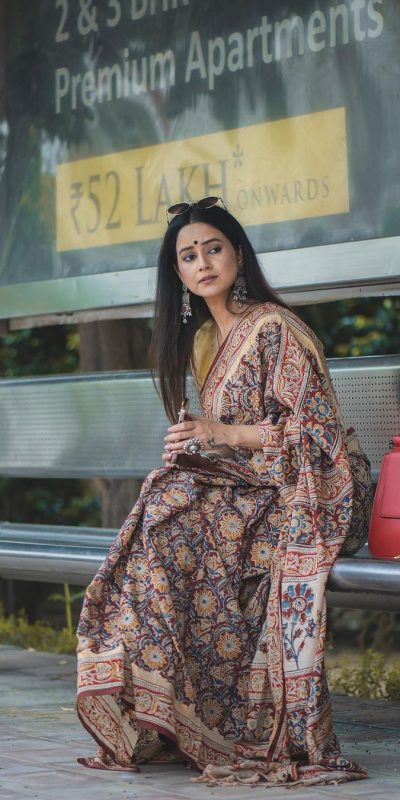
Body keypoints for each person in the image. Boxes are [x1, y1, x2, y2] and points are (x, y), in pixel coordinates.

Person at [76, 197, 372, 787]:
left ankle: (217, 720)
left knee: (173, 513)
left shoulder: (274, 327)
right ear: (179, 274)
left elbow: (317, 438)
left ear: (238, 253)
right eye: (189, 256)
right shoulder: (205, 340)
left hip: (310, 490)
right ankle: (172, 714)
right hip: (250, 490)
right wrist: (196, 447)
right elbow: (228, 445)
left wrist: (222, 433)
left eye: (213, 249)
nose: (203, 263)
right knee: (165, 506)